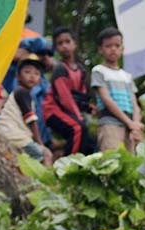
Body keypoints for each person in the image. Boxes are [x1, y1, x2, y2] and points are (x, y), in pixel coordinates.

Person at [43, 27, 96, 156]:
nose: (64, 46)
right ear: (56, 48)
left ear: (75, 44)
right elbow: (65, 98)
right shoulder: (60, 69)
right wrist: (79, 117)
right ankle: (69, 166)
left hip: (67, 111)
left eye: (67, 41)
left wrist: (88, 108)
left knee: (90, 141)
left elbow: (79, 97)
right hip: (52, 111)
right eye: (60, 43)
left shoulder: (81, 70)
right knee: (77, 128)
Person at [91, 27, 143, 152]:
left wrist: (135, 126)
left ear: (122, 49)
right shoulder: (98, 71)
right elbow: (106, 100)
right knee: (111, 160)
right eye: (108, 46)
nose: (113, 49)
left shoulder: (127, 76)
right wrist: (130, 123)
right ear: (100, 50)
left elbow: (135, 105)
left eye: (117, 45)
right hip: (110, 123)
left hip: (129, 126)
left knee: (129, 163)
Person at [0, 53, 53, 165]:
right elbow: (31, 120)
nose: (32, 76)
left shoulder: (20, 93)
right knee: (41, 154)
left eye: (36, 74)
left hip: (12, 133)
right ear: (18, 77)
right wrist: (40, 143)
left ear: (40, 79)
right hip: (12, 134)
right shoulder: (22, 92)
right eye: (27, 72)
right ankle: (39, 181)